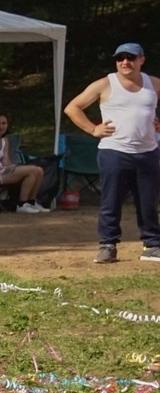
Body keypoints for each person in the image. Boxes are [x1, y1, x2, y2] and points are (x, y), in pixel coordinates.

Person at [64, 41, 160, 263]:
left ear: (141, 60)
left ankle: (152, 245)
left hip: (147, 153)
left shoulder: (152, 83)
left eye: (131, 58)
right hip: (114, 151)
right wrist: (93, 129)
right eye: (120, 58)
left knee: (148, 202)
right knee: (111, 200)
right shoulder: (105, 84)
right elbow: (72, 107)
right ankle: (108, 245)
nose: (125, 62)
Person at [0, 114, 48, 212]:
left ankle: (31, 202)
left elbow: (6, 160)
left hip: (0, 170)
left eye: (4, 123)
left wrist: (11, 168)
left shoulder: (4, 139)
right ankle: (21, 205)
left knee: (39, 171)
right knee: (33, 170)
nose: (1, 126)